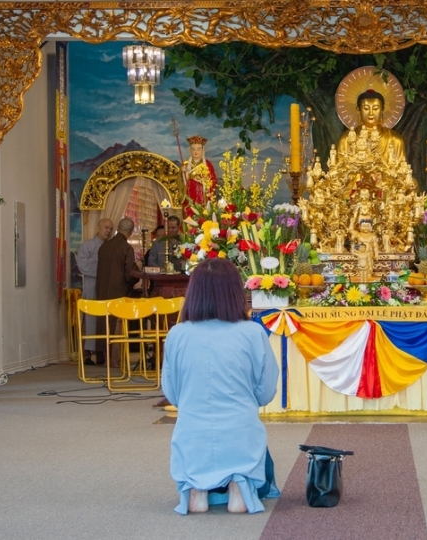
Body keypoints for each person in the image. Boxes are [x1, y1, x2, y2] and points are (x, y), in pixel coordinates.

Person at [161, 258, 280, 514]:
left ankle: (196, 489)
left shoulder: (177, 334)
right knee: (243, 434)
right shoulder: (252, 333)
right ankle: (239, 487)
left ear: (193, 292)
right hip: (241, 431)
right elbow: (266, 391)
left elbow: (171, 393)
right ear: (235, 292)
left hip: (192, 433)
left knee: (194, 436)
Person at [96, 218, 140, 367]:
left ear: (118, 228)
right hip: (118, 292)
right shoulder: (126, 248)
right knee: (116, 326)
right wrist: (138, 276)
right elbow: (130, 273)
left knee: (104, 323)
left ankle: (104, 357)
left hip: (102, 291)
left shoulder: (104, 246)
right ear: (131, 231)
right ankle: (115, 360)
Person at [75, 218, 113, 363]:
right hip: (92, 284)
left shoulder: (111, 247)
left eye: (110, 228)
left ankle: (101, 351)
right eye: (106, 227)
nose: (108, 230)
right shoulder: (88, 245)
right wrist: (100, 268)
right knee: (90, 319)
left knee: (103, 320)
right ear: (98, 228)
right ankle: (86, 353)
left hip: (106, 287)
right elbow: (82, 265)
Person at [336, 89, 406, 167]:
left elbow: (402, 173)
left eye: (375, 108)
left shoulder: (394, 140)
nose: (371, 113)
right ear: (358, 110)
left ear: (382, 110)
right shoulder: (346, 139)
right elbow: (339, 171)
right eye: (366, 108)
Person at [183, 135, 218, 205]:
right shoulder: (185, 164)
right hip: (190, 195)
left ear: (203, 150)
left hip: (203, 195)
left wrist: (203, 181)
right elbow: (181, 182)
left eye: (198, 149)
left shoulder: (207, 164)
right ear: (190, 150)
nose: (196, 152)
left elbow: (213, 180)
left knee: (203, 213)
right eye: (193, 149)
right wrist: (183, 173)